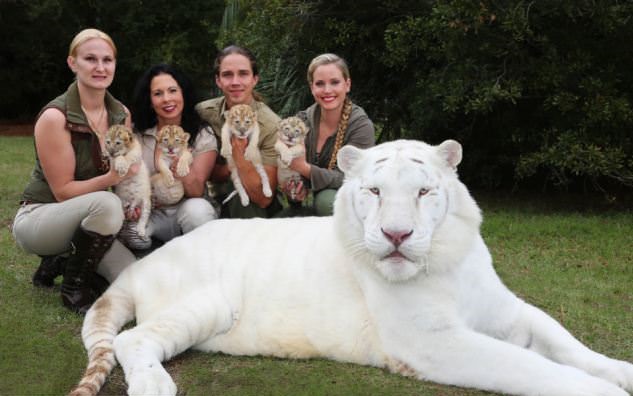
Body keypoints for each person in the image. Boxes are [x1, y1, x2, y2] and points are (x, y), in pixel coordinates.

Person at [11, 28, 137, 314]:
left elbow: (124, 171)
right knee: (107, 202)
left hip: (91, 219)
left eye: (108, 60)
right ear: (72, 63)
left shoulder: (121, 114)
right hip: (41, 217)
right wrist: (110, 180)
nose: (100, 67)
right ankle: (74, 288)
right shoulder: (55, 117)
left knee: (133, 280)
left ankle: (65, 260)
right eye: (90, 59)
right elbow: (63, 191)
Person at [118, 63, 219, 251]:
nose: (167, 99)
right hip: (152, 213)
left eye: (173, 90)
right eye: (158, 94)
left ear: (183, 93)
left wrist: (178, 158)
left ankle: (199, 260)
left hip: (186, 209)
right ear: (149, 99)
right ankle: (153, 257)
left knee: (198, 211)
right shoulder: (137, 135)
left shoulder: (202, 134)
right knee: (134, 235)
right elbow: (125, 178)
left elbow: (196, 190)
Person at [278, 53, 375, 217]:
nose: (327, 90)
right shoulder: (301, 122)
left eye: (335, 82)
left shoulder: (361, 126)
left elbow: (352, 178)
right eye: (320, 84)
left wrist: (304, 168)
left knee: (327, 201)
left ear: (347, 84)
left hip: (352, 202)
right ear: (312, 88)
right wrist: (295, 188)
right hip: (311, 204)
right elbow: (292, 171)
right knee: (279, 221)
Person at [195, 45, 281, 218]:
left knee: (244, 201)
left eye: (243, 74)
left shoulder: (271, 125)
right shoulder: (203, 112)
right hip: (211, 195)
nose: (235, 82)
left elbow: (263, 198)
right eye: (227, 75)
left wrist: (238, 152)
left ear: (255, 79)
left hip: (253, 205)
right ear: (218, 80)